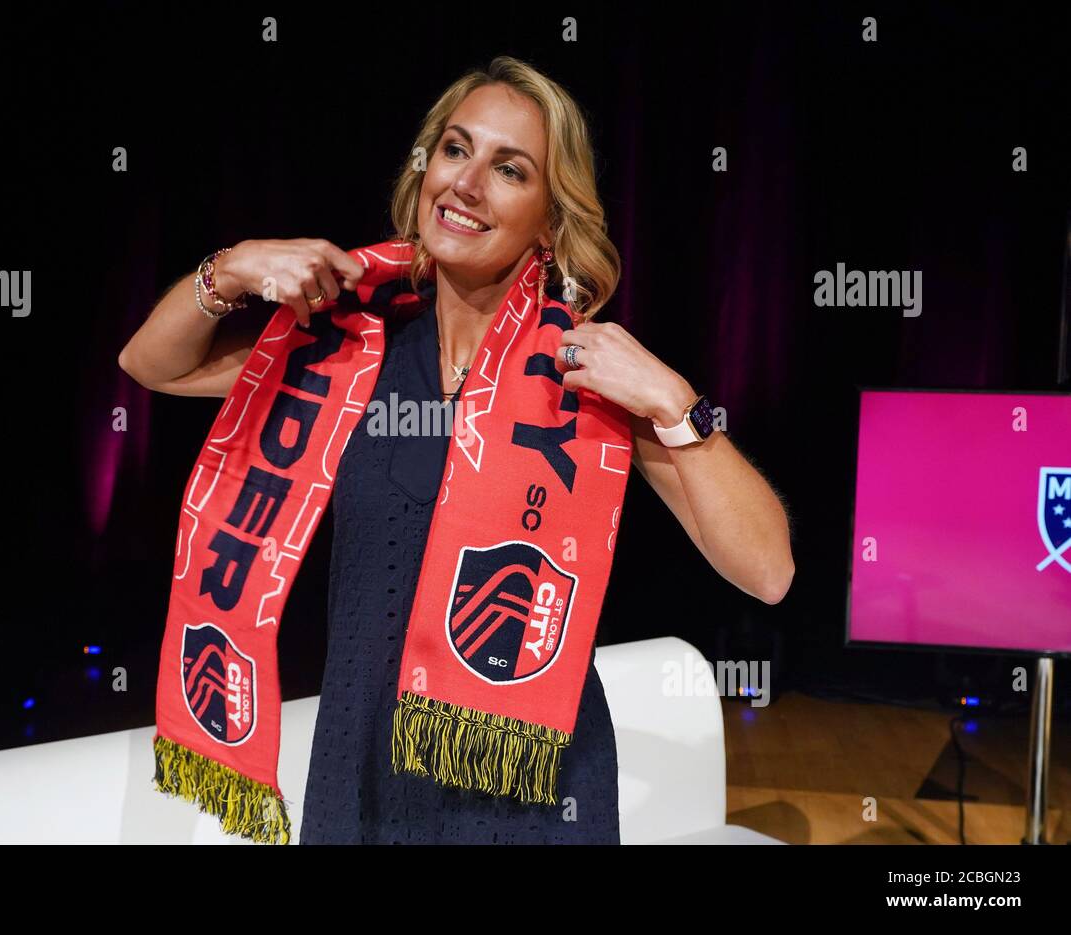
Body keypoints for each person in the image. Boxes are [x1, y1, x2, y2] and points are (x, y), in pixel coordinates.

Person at [119, 55, 794, 844]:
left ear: (550, 217)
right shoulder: (348, 352)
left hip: (526, 798)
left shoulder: (585, 376)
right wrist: (228, 269)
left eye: (508, 169)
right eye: (454, 149)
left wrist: (675, 404)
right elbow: (151, 364)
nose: (466, 184)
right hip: (359, 779)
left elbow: (769, 570)